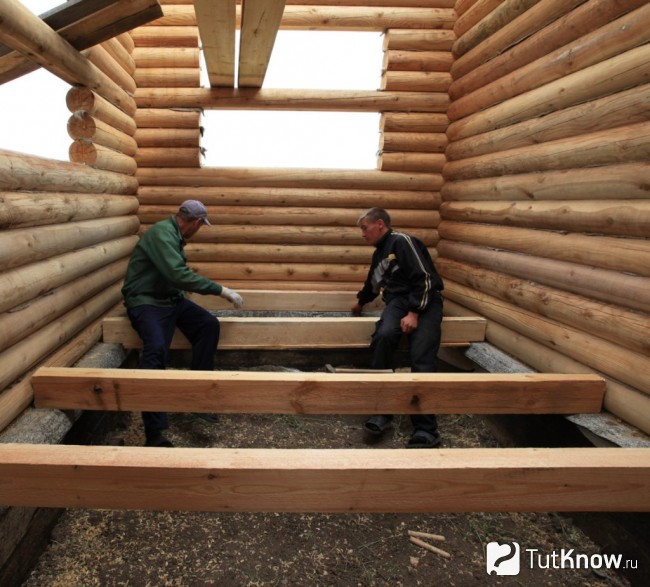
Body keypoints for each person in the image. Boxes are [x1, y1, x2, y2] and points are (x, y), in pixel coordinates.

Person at [121, 199, 244, 447]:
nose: (199, 230)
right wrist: (221, 290)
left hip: (169, 299)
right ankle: (154, 434)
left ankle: (198, 399)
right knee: (155, 351)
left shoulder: (174, 233)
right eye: (201, 225)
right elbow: (177, 274)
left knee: (208, 325)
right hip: (146, 303)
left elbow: (173, 278)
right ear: (196, 222)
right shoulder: (162, 234)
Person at [351, 207, 444, 448]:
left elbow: (425, 278)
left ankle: (426, 429)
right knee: (382, 337)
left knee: (421, 358)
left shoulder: (402, 242)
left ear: (380, 224)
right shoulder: (379, 254)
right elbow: (373, 282)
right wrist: (360, 302)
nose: (362, 234)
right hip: (397, 302)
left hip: (424, 301)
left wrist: (414, 312)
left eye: (365, 228)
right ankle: (382, 411)